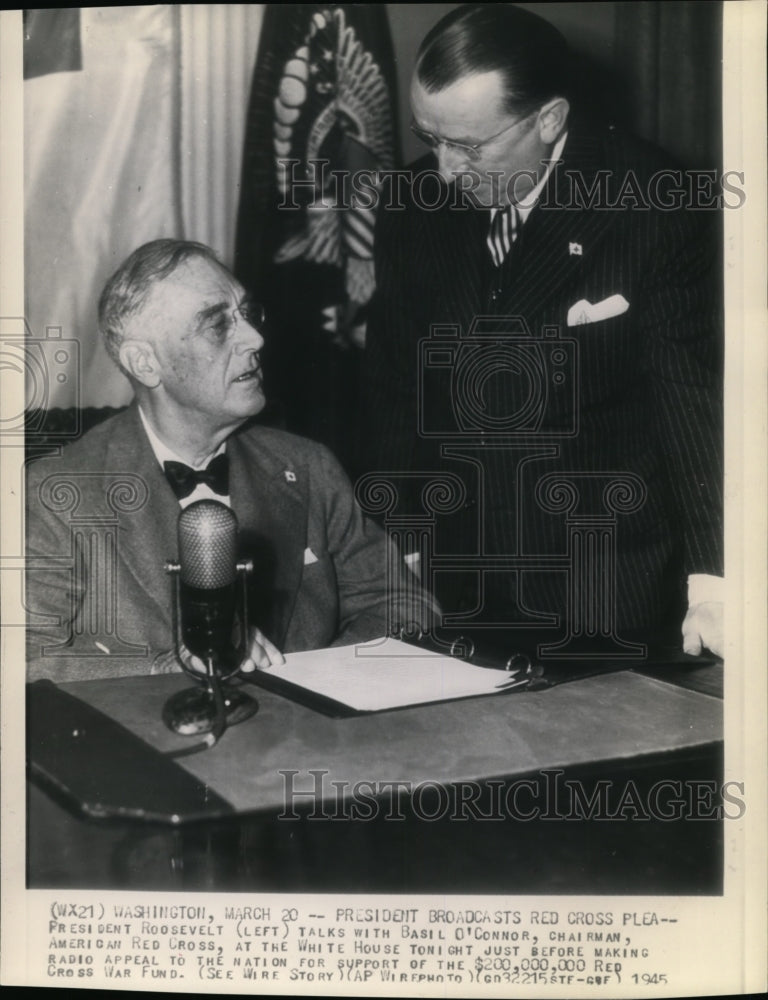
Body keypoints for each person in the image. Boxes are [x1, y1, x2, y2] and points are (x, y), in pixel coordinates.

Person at [362, 4, 723, 658]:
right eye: (430, 137)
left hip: (613, 591)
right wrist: (401, 549)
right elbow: (393, 387)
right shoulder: (410, 202)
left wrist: (717, 585)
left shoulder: (651, 202)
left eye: (469, 146)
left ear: (549, 119)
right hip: (457, 587)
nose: (444, 171)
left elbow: (691, 402)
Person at [26, 239, 433, 682]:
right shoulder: (57, 493)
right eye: (217, 324)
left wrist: (320, 684)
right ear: (144, 363)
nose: (256, 339)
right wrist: (173, 671)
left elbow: (402, 603)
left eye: (247, 314)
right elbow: (24, 659)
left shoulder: (309, 466)